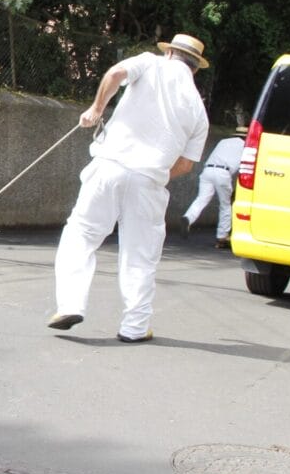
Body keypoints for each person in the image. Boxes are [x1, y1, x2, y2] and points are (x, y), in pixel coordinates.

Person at [49, 34, 210, 343]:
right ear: (195, 69)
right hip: (149, 180)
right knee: (140, 254)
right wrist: (155, 174)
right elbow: (186, 165)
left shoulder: (149, 63)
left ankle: (70, 304)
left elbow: (115, 74)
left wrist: (96, 109)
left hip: (110, 165)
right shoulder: (198, 111)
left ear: (170, 54)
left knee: (81, 234)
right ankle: (135, 328)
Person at [180, 126, 247, 248]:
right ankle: (222, 236)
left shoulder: (223, 142)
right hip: (223, 173)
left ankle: (188, 218)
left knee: (201, 199)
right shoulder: (245, 146)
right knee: (225, 205)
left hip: (208, 170)